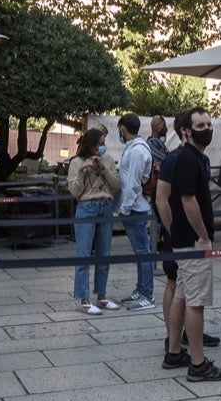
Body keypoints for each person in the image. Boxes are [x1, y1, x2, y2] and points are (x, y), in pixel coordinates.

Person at [158, 108, 221, 382]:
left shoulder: (187, 158)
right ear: (186, 130)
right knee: (196, 302)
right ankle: (198, 363)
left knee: (182, 296)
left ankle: (175, 351)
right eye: (201, 125)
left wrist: (172, 231)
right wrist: (201, 235)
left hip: (182, 239)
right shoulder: (188, 159)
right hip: (193, 241)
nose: (208, 128)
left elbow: (163, 199)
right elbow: (188, 201)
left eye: (210, 123)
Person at [67, 127, 121, 315]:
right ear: (90, 145)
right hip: (87, 207)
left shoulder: (107, 160)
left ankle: (102, 296)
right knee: (83, 253)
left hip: (105, 206)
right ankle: (84, 298)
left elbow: (116, 186)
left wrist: (104, 169)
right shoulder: (76, 162)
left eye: (103, 144)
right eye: (99, 144)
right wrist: (82, 171)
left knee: (104, 252)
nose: (102, 148)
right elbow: (75, 192)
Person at [113, 114, 157, 311]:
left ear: (123, 127)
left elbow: (132, 183)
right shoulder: (134, 148)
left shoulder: (137, 151)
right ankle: (141, 289)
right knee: (141, 252)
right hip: (134, 207)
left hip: (135, 209)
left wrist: (124, 208)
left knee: (143, 252)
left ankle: (147, 294)